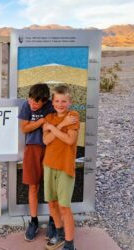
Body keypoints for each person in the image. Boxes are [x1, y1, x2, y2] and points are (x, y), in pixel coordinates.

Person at [18, 83, 76, 241]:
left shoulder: (53, 106)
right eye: (31, 100)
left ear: (45, 102)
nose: (32, 104)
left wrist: (51, 125)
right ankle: (34, 221)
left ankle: (53, 221)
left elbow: (55, 126)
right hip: (33, 148)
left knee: (53, 190)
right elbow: (24, 128)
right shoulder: (26, 105)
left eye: (36, 102)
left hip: (51, 150)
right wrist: (43, 121)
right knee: (33, 185)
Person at [43, 85, 80, 250]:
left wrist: (55, 127)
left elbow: (70, 140)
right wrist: (58, 125)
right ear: (52, 102)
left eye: (63, 101)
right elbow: (46, 141)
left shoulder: (73, 116)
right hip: (49, 165)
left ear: (70, 102)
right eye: (57, 101)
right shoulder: (49, 117)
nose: (60, 104)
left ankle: (70, 244)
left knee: (64, 206)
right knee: (52, 203)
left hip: (65, 167)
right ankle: (59, 235)